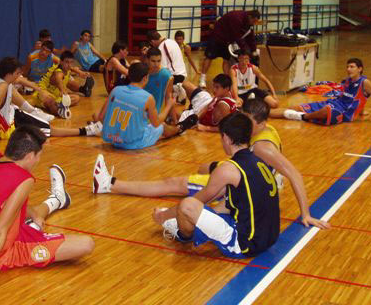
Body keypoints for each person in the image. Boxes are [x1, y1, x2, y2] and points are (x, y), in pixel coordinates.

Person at [92, 98, 330, 230]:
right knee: (202, 167)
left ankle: (109, 184)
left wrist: (306, 214)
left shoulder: (262, 146)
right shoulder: (266, 131)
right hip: (247, 174)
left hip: (238, 185)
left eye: (245, 120)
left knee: (173, 183)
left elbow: (295, 174)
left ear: (257, 122)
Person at [0, 126, 94, 305]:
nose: (38, 161)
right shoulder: (23, 179)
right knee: (86, 244)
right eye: (38, 156)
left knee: (32, 213)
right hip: (0, 253)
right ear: (30, 156)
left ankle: (56, 200)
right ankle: (57, 199)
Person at [153, 112, 280, 258]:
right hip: (268, 238)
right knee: (223, 204)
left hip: (245, 244)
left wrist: (163, 216)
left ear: (226, 138)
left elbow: (198, 200)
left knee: (187, 206)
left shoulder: (228, 169)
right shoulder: (258, 161)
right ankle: (198, 229)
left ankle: (181, 234)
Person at [0, 57, 102, 147]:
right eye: (17, 73)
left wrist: (38, 89)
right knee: (50, 130)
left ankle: (33, 111)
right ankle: (86, 130)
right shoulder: (2, 88)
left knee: (13, 92)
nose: (19, 76)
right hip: (5, 127)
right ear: (10, 73)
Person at [271, 58, 371, 126]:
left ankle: (303, 117)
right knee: (294, 107)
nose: (348, 69)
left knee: (327, 110)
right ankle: (262, 114)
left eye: (352, 67)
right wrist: (362, 111)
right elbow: (356, 98)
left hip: (343, 112)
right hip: (334, 103)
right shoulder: (346, 81)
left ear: (360, 69)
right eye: (347, 66)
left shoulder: (365, 83)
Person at [99, 62, 198, 150]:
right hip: (132, 144)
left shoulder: (116, 90)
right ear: (145, 78)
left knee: (144, 125)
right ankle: (180, 128)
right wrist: (169, 105)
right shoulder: (147, 97)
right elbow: (156, 123)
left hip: (113, 141)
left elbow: (101, 117)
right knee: (162, 126)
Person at [199, 9, 261, 88]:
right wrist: (245, 50)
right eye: (254, 21)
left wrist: (254, 50)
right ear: (250, 17)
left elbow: (250, 36)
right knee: (209, 57)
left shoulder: (248, 23)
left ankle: (227, 80)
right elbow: (236, 36)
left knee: (226, 60)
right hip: (217, 37)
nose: (254, 24)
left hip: (227, 41)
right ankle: (202, 78)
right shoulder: (236, 18)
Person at [33, 51, 93, 119]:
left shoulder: (67, 68)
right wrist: (62, 90)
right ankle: (59, 110)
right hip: (43, 92)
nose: (69, 65)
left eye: (71, 62)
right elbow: (58, 79)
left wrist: (80, 72)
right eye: (67, 62)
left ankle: (60, 105)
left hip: (55, 95)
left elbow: (72, 68)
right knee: (51, 102)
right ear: (61, 62)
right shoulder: (58, 72)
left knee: (76, 98)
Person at [144, 47, 173, 113]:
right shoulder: (142, 72)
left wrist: (175, 121)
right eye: (153, 61)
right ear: (147, 60)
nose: (156, 64)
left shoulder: (166, 75)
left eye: (159, 61)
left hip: (155, 114)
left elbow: (168, 97)